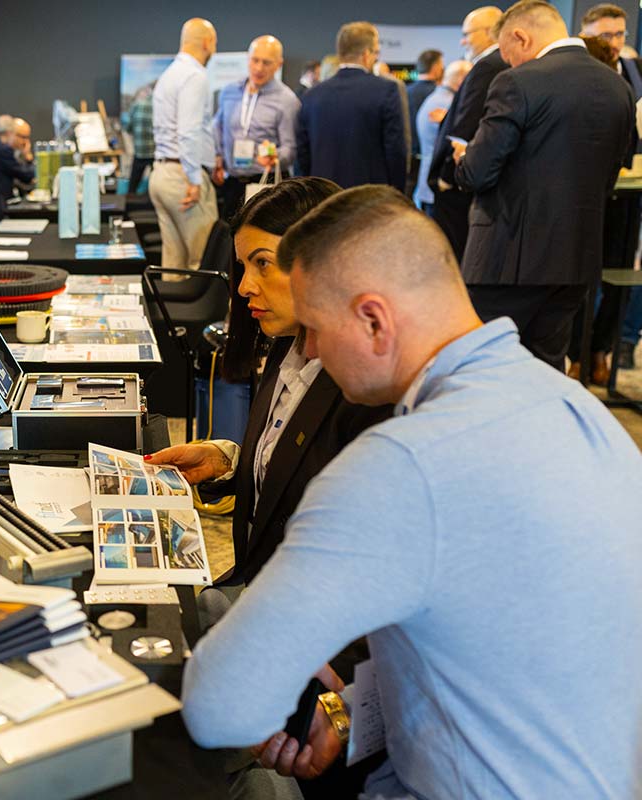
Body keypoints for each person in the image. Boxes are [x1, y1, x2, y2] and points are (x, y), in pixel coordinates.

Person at [181, 184, 642, 797]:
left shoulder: (401, 461)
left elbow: (219, 705)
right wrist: (354, 707)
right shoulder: (575, 408)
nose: (310, 349)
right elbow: (490, 632)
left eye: (315, 328)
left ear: (374, 318)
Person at [148, 177, 390, 595]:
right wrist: (227, 462)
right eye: (243, 267)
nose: (244, 287)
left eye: (263, 263)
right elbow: (289, 474)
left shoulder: (366, 393)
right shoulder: (285, 347)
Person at [453, 0, 634, 371]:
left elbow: (477, 173)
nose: (509, 63)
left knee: (484, 369)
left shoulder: (517, 82)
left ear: (521, 37)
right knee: (546, 369)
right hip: (576, 259)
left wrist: (464, 158)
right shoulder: (618, 87)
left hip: (506, 259)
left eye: (508, 53)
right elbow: (609, 175)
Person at [568, 3, 642, 382]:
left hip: (628, 192)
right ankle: (575, 353)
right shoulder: (575, 69)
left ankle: (601, 350)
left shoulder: (634, 68)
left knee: (619, 276)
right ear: (586, 33)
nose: (614, 42)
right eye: (606, 34)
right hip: (585, 192)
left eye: (620, 34)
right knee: (581, 276)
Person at [426, 6, 507, 258]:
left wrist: (447, 177)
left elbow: (465, 126)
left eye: (467, 34)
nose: (463, 41)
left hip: (459, 184)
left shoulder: (486, 66)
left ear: (489, 32)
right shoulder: (501, 64)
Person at [295, 22, 408, 191]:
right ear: (366, 54)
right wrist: (397, 192)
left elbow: (302, 155)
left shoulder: (312, 95)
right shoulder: (386, 90)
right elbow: (395, 151)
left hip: (324, 196)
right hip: (370, 196)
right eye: (376, 53)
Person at [149, 17, 219, 269]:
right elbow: (189, 132)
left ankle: (171, 298)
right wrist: (195, 179)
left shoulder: (169, 75)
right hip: (183, 177)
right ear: (207, 42)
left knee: (173, 263)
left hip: (162, 174)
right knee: (205, 262)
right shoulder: (194, 76)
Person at [211, 35, 301, 222]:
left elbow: (290, 148)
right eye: (255, 60)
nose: (259, 68)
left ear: (278, 64)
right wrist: (217, 156)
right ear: (248, 59)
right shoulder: (229, 92)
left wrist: (275, 157)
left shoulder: (287, 100)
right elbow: (217, 126)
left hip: (267, 183)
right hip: (233, 183)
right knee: (230, 236)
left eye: (266, 63)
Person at [412, 60, 471, 213]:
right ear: (462, 79)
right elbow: (451, 145)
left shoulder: (434, 98)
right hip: (438, 185)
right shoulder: (448, 104)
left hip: (427, 182)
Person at [404, 49, 443, 200]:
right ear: (435, 67)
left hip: (409, 156)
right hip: (431, 159)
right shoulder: (438, 94)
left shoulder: (404, 92)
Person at [122, 84, 155, 195]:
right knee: (154, 186)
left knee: (133, 186)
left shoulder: (136, 105)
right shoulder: (159, 106)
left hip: (140, 151)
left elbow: (128, 127)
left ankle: (130, 202)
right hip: (155, 151)